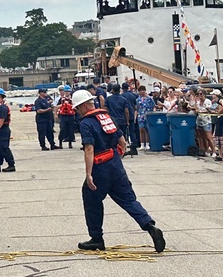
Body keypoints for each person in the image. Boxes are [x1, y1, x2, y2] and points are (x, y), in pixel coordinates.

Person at [71, 89, 166, 253]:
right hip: (115, 163)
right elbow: (123, 143)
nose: (77, 111)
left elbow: (89, 150)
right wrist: (115, 161)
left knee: (91, 199)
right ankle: (150, 226)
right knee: (128, 199)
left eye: (78, 108)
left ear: (83, 106)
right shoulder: (106, 117)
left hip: (100, 166)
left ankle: (96, 238)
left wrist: (89, 174)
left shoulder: (86, 123)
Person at [104, 84, 133, 155]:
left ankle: (114, 150)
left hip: (112, 120)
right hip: (122, 120)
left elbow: (105, 109)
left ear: (113, 90)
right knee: (122, 136)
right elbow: (126, 111)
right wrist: (127, 121)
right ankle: (122, 150)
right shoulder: (123, 99)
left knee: (112, 137)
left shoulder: (108, 99)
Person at [135, 85, 156, 150]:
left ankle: (147, 144)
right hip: (140, 115)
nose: (141, 92)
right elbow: (136, 108)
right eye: (140, 90)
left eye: (143, 90)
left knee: (147, 129)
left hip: (148, 115)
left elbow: (153, 106)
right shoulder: (137, 99)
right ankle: (142, 144)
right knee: (141, 129)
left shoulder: (149, 98)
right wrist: (135, 116)